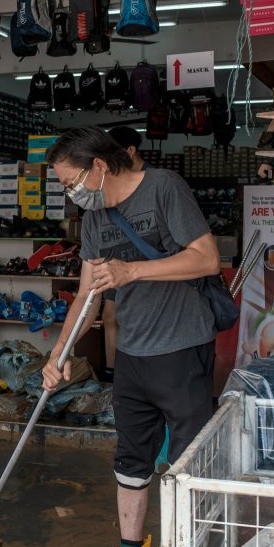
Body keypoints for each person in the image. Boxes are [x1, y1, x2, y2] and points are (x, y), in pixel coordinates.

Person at [43, 127, 220, 547]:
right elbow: (87, 296)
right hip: (134, 358)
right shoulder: (95, 217)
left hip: (182, 348)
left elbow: (206, 259)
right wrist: (57, 356)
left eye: (69, 181)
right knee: (131, 461)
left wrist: (133, 270)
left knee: (184, 467)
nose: (69, 192)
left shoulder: (163, 187)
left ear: (99, 166)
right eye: (62, 186)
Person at [100, 127, 151, 380]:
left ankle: (137, 375)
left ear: (130, 151)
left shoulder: (157, 182)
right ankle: (113, 372)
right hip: (116, 257)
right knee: (109, 316)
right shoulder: (110, 184)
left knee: (142, 318)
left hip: (148, 267)